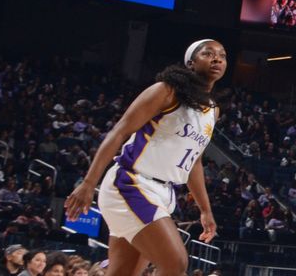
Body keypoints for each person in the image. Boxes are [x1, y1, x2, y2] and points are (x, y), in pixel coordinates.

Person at [64, 41, 223, 276]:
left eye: (222, 55)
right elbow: (120, 131)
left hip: (163, 193)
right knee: (176, 263)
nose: (217, 59)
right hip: (131, 183)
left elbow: (195, 162)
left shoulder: (212, 110)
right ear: (191, 62)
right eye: (208, 53)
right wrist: (88, 183)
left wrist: (205, 210)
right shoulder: (166, 91)